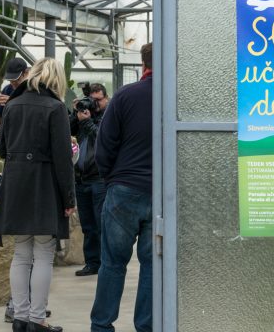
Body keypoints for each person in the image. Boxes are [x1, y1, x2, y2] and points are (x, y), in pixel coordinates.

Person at [0, 57, 76, 332]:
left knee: (21, 254)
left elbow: (3, 150)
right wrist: (69, 200)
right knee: (43, 253)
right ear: (57, 80)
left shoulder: (12, 105)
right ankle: (38, 320)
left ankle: (20, 318)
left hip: (15, 184)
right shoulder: (55, 107)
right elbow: (63, 159)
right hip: (43, 187)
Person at [91, 43, 153, 332]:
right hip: (162, 194)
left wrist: (111, 179)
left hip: (124, 190)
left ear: (143, 64)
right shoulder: (176, 97)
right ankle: (147, 326)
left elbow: (104, 146)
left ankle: (102, 326)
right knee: (153, 266)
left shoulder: (125, 96)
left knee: (113, 264)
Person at [69, 83, 109, 277]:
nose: (94, 104)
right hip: (82, 178)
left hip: (99, 179)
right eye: (91, 100)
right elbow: (67, 129)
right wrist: (75, 112)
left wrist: (87, 122)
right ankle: (92, 262)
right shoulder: (85, 115)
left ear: (106, 99)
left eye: (98, 100)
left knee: (101, 223)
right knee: (88, 225)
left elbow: (104, 139)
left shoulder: (108, 116)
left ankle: (106, 263)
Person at [0, 57, 30, 128]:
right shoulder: (7, 90)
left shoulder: (34, 89)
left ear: (26, 73)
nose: (12, 82)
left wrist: (13, 102)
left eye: (16, 79)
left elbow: (33, 114)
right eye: (10, 79)